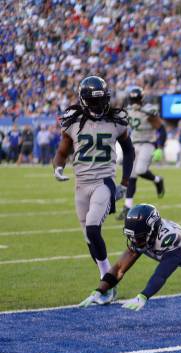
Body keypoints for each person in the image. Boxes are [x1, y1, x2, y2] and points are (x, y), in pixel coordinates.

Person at [53, 76, 135, 303]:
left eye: (102, 101)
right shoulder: (72, 121)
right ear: (83, 101)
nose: (99, 106)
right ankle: (107, 280)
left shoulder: (117, 121)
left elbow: (129, 151)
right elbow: (62, 151)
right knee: (90, 239)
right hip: (81, 185)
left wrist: (125, 183)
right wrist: (57, 167)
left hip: (103, 182)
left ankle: (107, 282)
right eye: (94, 102)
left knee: (92, 228)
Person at [116, 86, 166, 220]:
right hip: (134, 143)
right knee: (131, 177)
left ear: (141, 99)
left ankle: (158, 180)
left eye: (136, 99)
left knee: (140, 170)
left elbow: (162, 129)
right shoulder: (128, 110)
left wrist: (159, 147)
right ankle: (127, 208)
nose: (134, 102)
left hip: (148, 143)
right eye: (132, 100)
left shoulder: (149, 110)